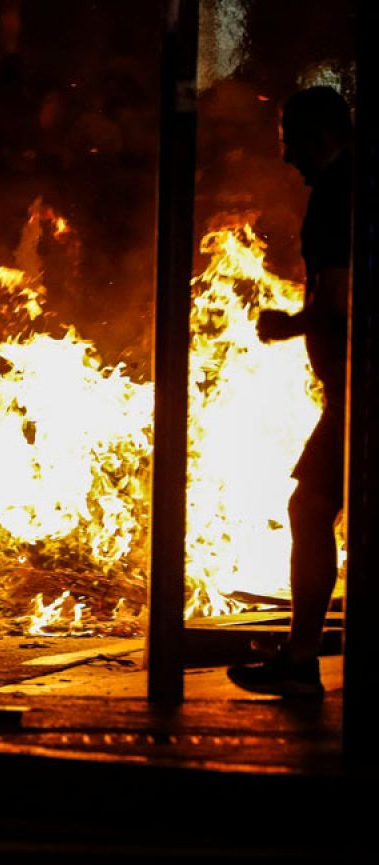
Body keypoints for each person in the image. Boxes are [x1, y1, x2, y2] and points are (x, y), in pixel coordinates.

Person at [228, 85, 353, 697]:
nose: (286, 156)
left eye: (291, 140)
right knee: (312, 508)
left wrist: (286, 326)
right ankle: (299, 659)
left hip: (358, 393)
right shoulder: (348, 186)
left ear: (323, 135)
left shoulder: (337, 194)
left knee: (309, 509)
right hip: (348, 391)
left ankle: (302, 662)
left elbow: (340, 300)